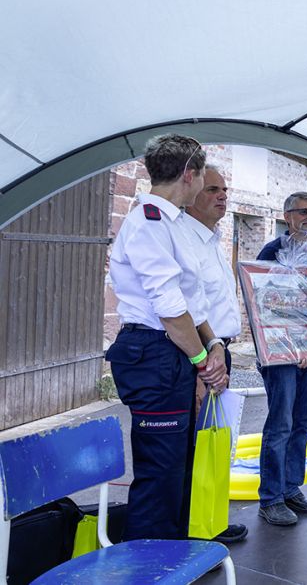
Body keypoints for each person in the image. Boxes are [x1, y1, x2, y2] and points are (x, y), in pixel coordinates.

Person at [105, 133, 228, 541]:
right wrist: (201, 365)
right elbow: (172, 311)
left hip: (174, 350)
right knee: (161, 472)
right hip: (155, 352)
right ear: (189, 175)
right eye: (204, 178)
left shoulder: (173, 222)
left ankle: (175, 554)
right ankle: (148, 566)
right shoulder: (148, 223)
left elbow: (194, 301)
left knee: (179, 464)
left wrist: (213, 346)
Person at [180, 165, 247, 543]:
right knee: (194, 443)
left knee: (215, 440)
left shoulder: (212, 238)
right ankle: (193, 529)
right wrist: (202, 362)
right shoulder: (186, 240)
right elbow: (188, 308)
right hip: (203, 354)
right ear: (192, 196)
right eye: (212, 190)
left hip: (221, 351)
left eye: (225, 189)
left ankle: (209, 520)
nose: (222, 196)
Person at [255, 191, 307, 526]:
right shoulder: (271, 252)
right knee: (281, 424)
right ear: (287, 216)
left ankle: (290, 487)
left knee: (303, 422)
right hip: (282, 353)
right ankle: (270, 497)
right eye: (303, 212)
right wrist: (293, 346)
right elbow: (266, 305)